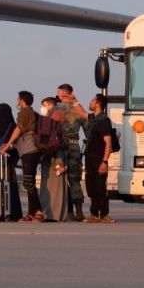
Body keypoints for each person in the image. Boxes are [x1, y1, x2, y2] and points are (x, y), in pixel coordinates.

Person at [0, 91, 42, 222]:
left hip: (29, 150)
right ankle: (31, 213)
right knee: (29, 183)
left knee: (29, 183)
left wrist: (7, 146)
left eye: (18, 98)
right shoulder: (32, 112)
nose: (17, 100)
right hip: (30, 149)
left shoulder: (24, 112)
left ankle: (38, 211)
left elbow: (18, 129)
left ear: (22, 100)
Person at [56, 83, 88, 221]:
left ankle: (67, 211)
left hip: (59, 147)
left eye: (58, 93)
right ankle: (79, 211)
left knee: (60, 180)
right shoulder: (78, 111)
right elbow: (88, 130)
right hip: (74, 147)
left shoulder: (55, 110)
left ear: (63, 94)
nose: (57, 95)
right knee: (74, 179)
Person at [83, 93, 114, 223]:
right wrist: (73, 100)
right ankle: (94, 214)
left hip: (99, 158)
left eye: (92, 100)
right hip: (89, 158)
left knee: (100, 187)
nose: (90, 102)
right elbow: (81, 113)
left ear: (98, 104)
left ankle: (105, 214)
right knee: (91, 187)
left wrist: (105, 162)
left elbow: (108, 143)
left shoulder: (104, 121)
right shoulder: (92, 118)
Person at [38, 97, 68, 222]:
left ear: (50, 105)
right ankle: (50, 213)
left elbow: (52, 136)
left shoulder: (56, 114)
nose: (42, 108)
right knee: (50, 185)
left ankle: (53, 214)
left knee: (54, 186)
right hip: (52, 154)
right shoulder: (52, 115)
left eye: (44, 105)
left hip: (56, 155)